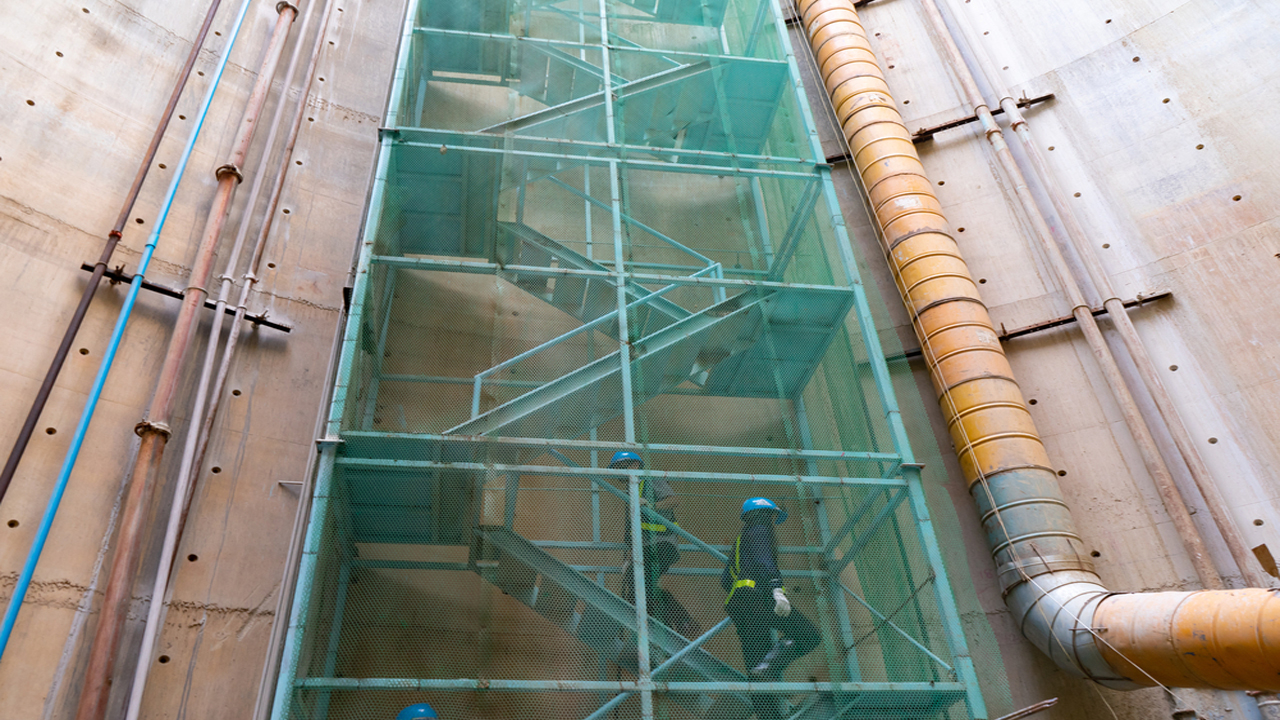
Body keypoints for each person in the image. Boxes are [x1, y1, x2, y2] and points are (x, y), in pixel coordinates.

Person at [722, 497, 820, 719]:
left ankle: (767, 714)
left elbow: (725, 580)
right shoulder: (760, 530)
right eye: (773, 516)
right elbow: (765, 561)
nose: (774, 521)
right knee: (809, 634)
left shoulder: (741, 538)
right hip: (759, 599)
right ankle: (770, 665)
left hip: (739, 605)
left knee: (755, 666)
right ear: (764, 514)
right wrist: (777, 590)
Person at [611, 451, 699, 639]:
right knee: (641, 588)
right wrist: (628, 557)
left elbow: (674, 500)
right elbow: (631, 529)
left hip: (661, 544)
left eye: (621, 466)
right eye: (617, 468)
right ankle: (677, 624)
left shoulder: (649, 481)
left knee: (643, 586)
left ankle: (673, 626)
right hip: (645, 548)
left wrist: (649, 505)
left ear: (634, 465)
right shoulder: (630, 491)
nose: (619, 471)